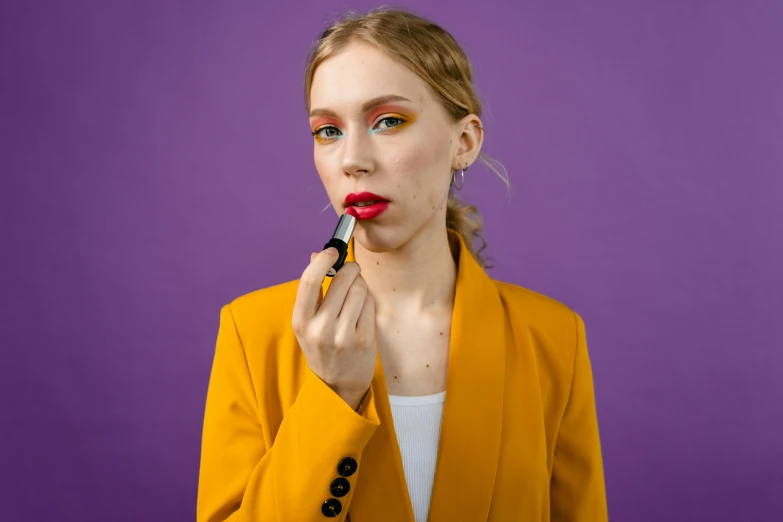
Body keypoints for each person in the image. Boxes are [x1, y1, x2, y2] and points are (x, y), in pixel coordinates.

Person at [197, 7, 607, 522]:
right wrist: (332, 398)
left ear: (465, 142)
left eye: (388, 121)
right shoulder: (252, 334)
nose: (352, 159)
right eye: (327, 131)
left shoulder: (553, 338)